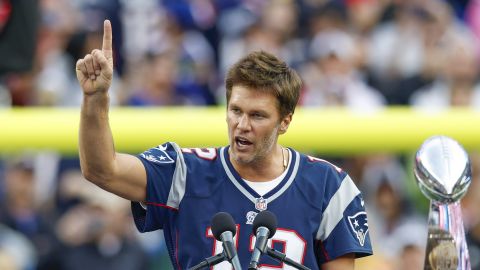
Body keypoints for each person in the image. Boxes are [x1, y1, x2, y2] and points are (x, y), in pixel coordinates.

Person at [75, 20, 373, 270]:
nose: (243, 124)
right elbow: (102, 170)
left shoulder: (329, 187)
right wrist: (95, 98)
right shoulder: (185, 171)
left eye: (257, 115)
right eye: (236, 111)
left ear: (285, 121)